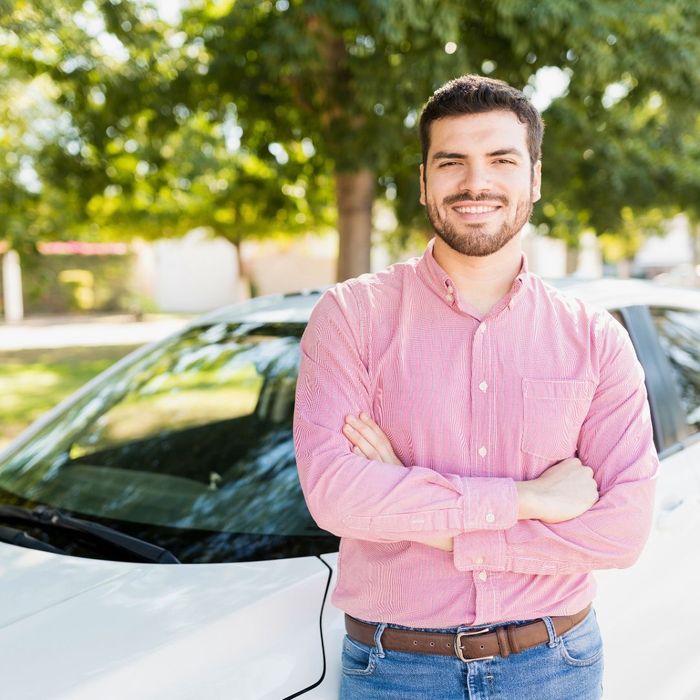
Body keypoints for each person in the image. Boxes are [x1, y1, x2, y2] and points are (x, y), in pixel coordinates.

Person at [293, 74, 658, 699]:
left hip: (554, 666)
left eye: (501, 160)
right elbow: (335, 498)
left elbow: (620, 532)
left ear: (535, 178)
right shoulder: (352, 317)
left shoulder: (595, 339)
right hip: (394, 671)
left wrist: (409, 507)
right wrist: (530, 499)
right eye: (452, 161)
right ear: (424, 181)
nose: (475, 182)